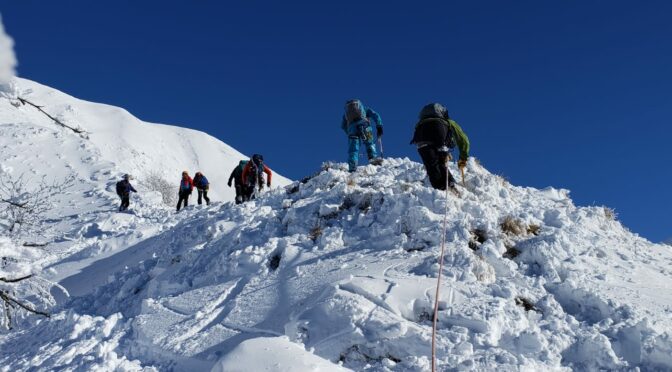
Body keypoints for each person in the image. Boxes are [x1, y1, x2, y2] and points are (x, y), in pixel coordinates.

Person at [410, 103, 469, 191]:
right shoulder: (448, 122)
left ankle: (440, 189)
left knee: (432, 166)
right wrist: (463, 158)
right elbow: (463, 140)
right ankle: (450, 187)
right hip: (440, 140)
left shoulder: (421, 123)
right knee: (442, 164)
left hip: (422, 142)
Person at [340, 99, 383, 172]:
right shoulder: (365, 109)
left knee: (353, 149)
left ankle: (352, 167)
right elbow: (375, 115)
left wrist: (349, 133)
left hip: (352, 129)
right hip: (365, 125)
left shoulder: (346, 114)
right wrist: (379, 126)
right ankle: (373, 158)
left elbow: (343, 126)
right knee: (369, 142)